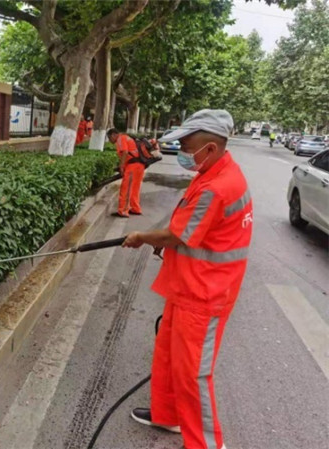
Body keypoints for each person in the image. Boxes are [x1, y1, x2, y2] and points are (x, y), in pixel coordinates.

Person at [121, 109, 253, 449]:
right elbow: (191, 228)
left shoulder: (218, 185)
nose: (181, 149)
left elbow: (179, 235)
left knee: (193, 373)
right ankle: (169, 416)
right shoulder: (211, 171)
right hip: (188, 285)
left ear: (209, 147)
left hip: (206, 293)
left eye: (185, 144)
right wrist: (162, 244)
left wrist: (143, 237)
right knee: (167, 356)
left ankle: (207, 444)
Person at [107, 129, 146, 217]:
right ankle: (135, 208)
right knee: (135, 188)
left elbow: (125, 151)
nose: (110, 141)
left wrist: (121, 166)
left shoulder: (120, 138)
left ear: (114, 135)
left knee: (126, 188)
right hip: (140, 165)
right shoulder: (127, 137)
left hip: (132, 166)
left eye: (109, 138)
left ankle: (123, 211)